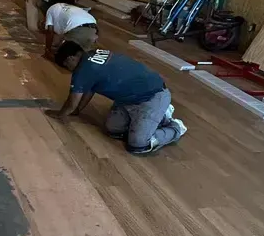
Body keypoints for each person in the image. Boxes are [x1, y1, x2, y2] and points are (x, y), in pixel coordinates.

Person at [47, 39, 187, 156]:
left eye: (66, 65)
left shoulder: (82, 70)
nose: (68, 69)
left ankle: (175, 127)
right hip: (129, 98)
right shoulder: (94, 54)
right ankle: (152, 117)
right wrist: (77, 110)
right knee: (113, 130)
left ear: (71, 58)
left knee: (138, 145)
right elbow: (89, 89)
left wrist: (60, 114)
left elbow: (72, 102)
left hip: (152, 96)